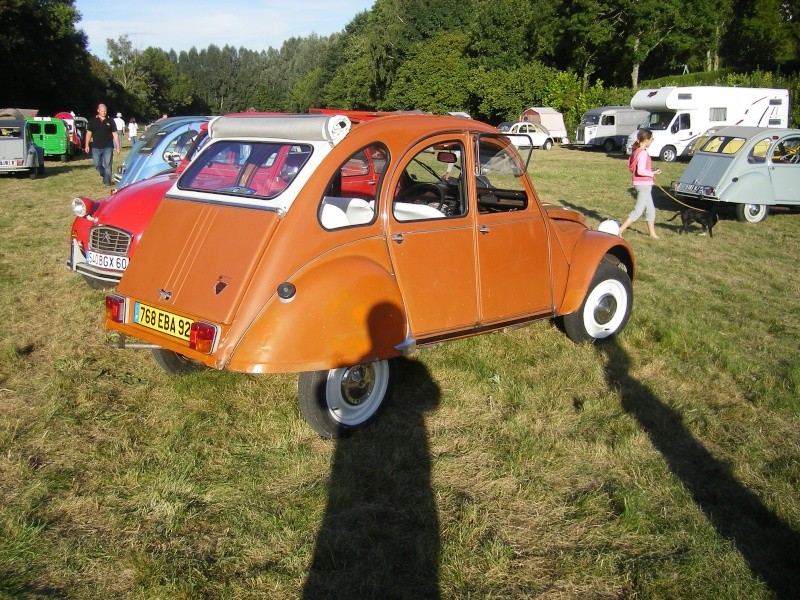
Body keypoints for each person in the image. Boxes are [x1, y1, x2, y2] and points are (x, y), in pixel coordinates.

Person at [618, 128, 662, 239]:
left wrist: (651, 171)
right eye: (651, 139)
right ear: (646, 140)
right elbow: (640, 171)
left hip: (642, 184)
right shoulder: (642, 153)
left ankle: (652, 234)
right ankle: (619, 231)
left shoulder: (636, 151)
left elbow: (637, 168)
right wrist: (653, 173)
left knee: (650, 210)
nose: (652, 141)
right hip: (643, 185)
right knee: (638, 210)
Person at [85, 103, 120, 185]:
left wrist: (118, 147)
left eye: (105, 111)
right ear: (98, 110)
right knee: (96, 164)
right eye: (102, 111)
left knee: (108, 164)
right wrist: (86, 145)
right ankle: (105, 175)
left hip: (108, 146)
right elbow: (89, 133)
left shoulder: (110, 121)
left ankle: (107, 181)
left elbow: (115, 134)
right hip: (96, 147)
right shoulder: (93, 120)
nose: (104, 112)